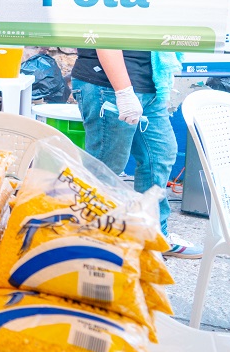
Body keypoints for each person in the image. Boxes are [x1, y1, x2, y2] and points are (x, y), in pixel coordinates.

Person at [70, 48, 202, 259]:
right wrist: (123, 92)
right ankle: (88, 243)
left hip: (149, 85)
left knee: (160, 155)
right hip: (109, 84)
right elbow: (104, 36)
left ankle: (152, 235)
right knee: (107, 167)